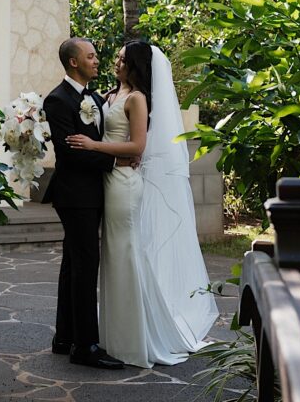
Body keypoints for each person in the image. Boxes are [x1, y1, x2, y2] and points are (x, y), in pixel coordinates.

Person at [66, 40, 218, 367]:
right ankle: (114, 336)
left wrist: (93, 147)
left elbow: (136, 146)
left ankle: (137, 339)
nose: (116, 62)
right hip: (106, 182)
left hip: (123, 184)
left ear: (135, 65)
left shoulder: (137, 99)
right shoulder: (109, 95)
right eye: (117, 57)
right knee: (113, 257)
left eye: (122, 59)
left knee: (126, 254)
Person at [42, 37, 125, 370]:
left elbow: (95, 140)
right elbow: (71, 153)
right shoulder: (58, 100)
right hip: (75, 194)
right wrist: (116, 163)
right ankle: (86, 346)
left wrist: (98, 150)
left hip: (91, 192)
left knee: (73, 265)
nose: (96, 60)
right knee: (86, 266)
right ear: (73, 62)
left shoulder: (94, 97)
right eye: (90, 56)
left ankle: (65, 337)